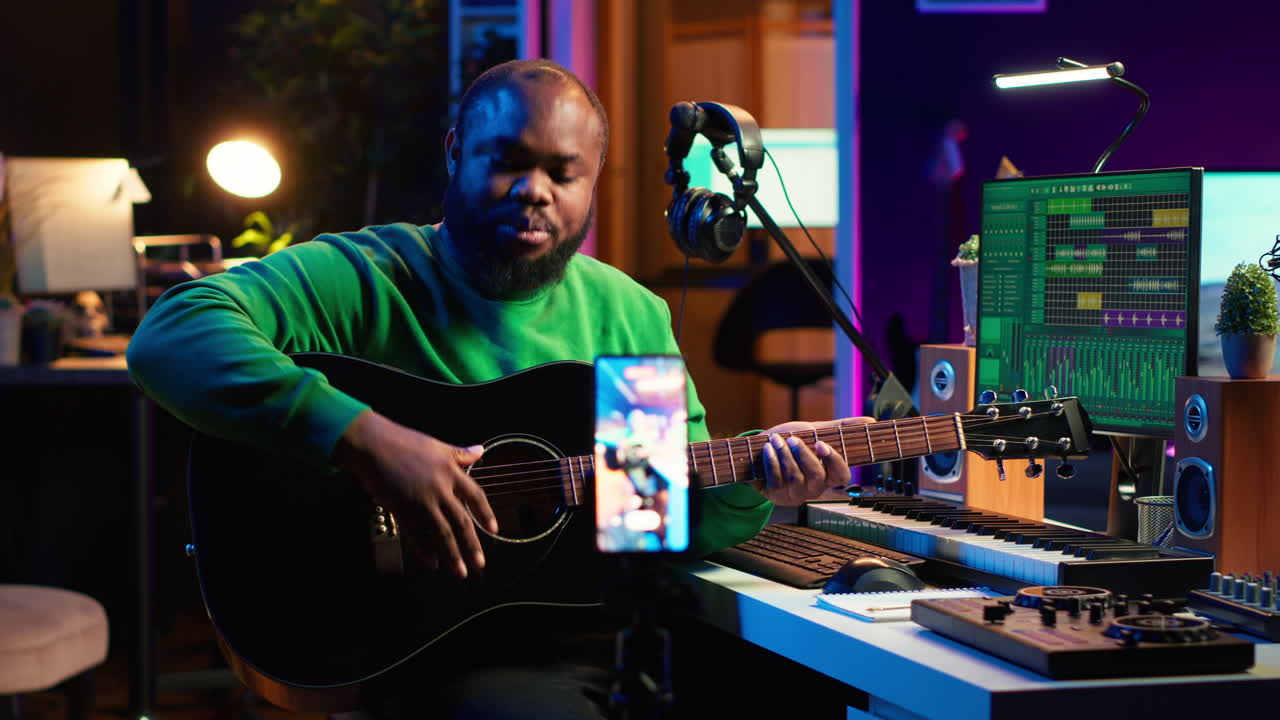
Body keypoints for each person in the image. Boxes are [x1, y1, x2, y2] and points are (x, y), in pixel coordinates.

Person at [128, 58, 865, 719]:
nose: (533, 192)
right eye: (507, 160)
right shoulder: (363, 277)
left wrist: (759, 481)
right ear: (456, 152)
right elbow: (173, 334)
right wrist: (367, 440)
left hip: (603, 625)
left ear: (592, 181)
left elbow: (653, 515)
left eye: (562, 172)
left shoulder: (627, 311)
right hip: (432, 641)